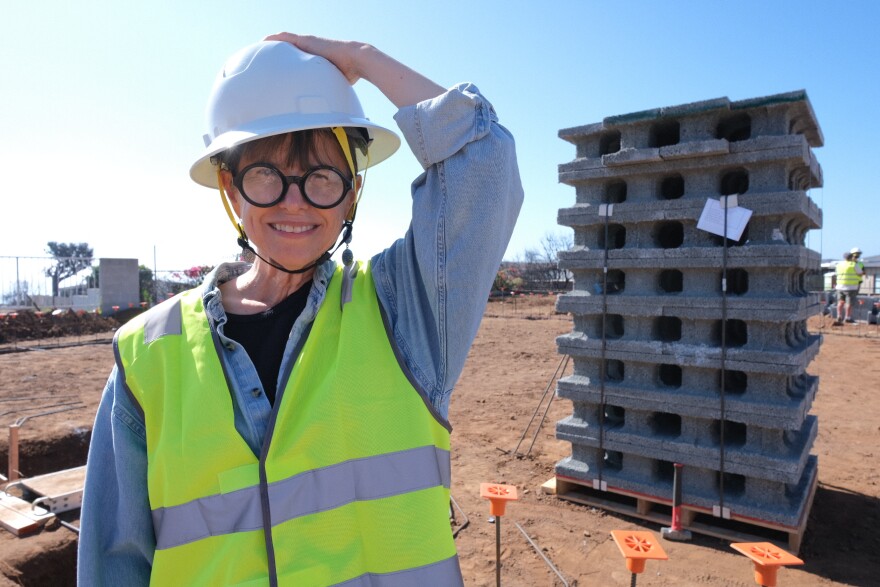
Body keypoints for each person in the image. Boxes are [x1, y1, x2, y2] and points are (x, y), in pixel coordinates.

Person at [78, 34, 523, 586]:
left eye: (321, 176)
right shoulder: (147, 355)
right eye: (266, 173)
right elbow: (114, 564)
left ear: (352, 191)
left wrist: (362, 57)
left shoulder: (402, 313)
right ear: (228, 185)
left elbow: (485, 163)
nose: (295, 202)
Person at [834, 251, 861, 325]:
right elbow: (860, 273)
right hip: (850, 287)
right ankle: (847, 318)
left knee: (840, 302)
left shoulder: (839, 265)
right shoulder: (853, 264)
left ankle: (839, 316)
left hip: (840, 286)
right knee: (849, 303)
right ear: (851, 257)